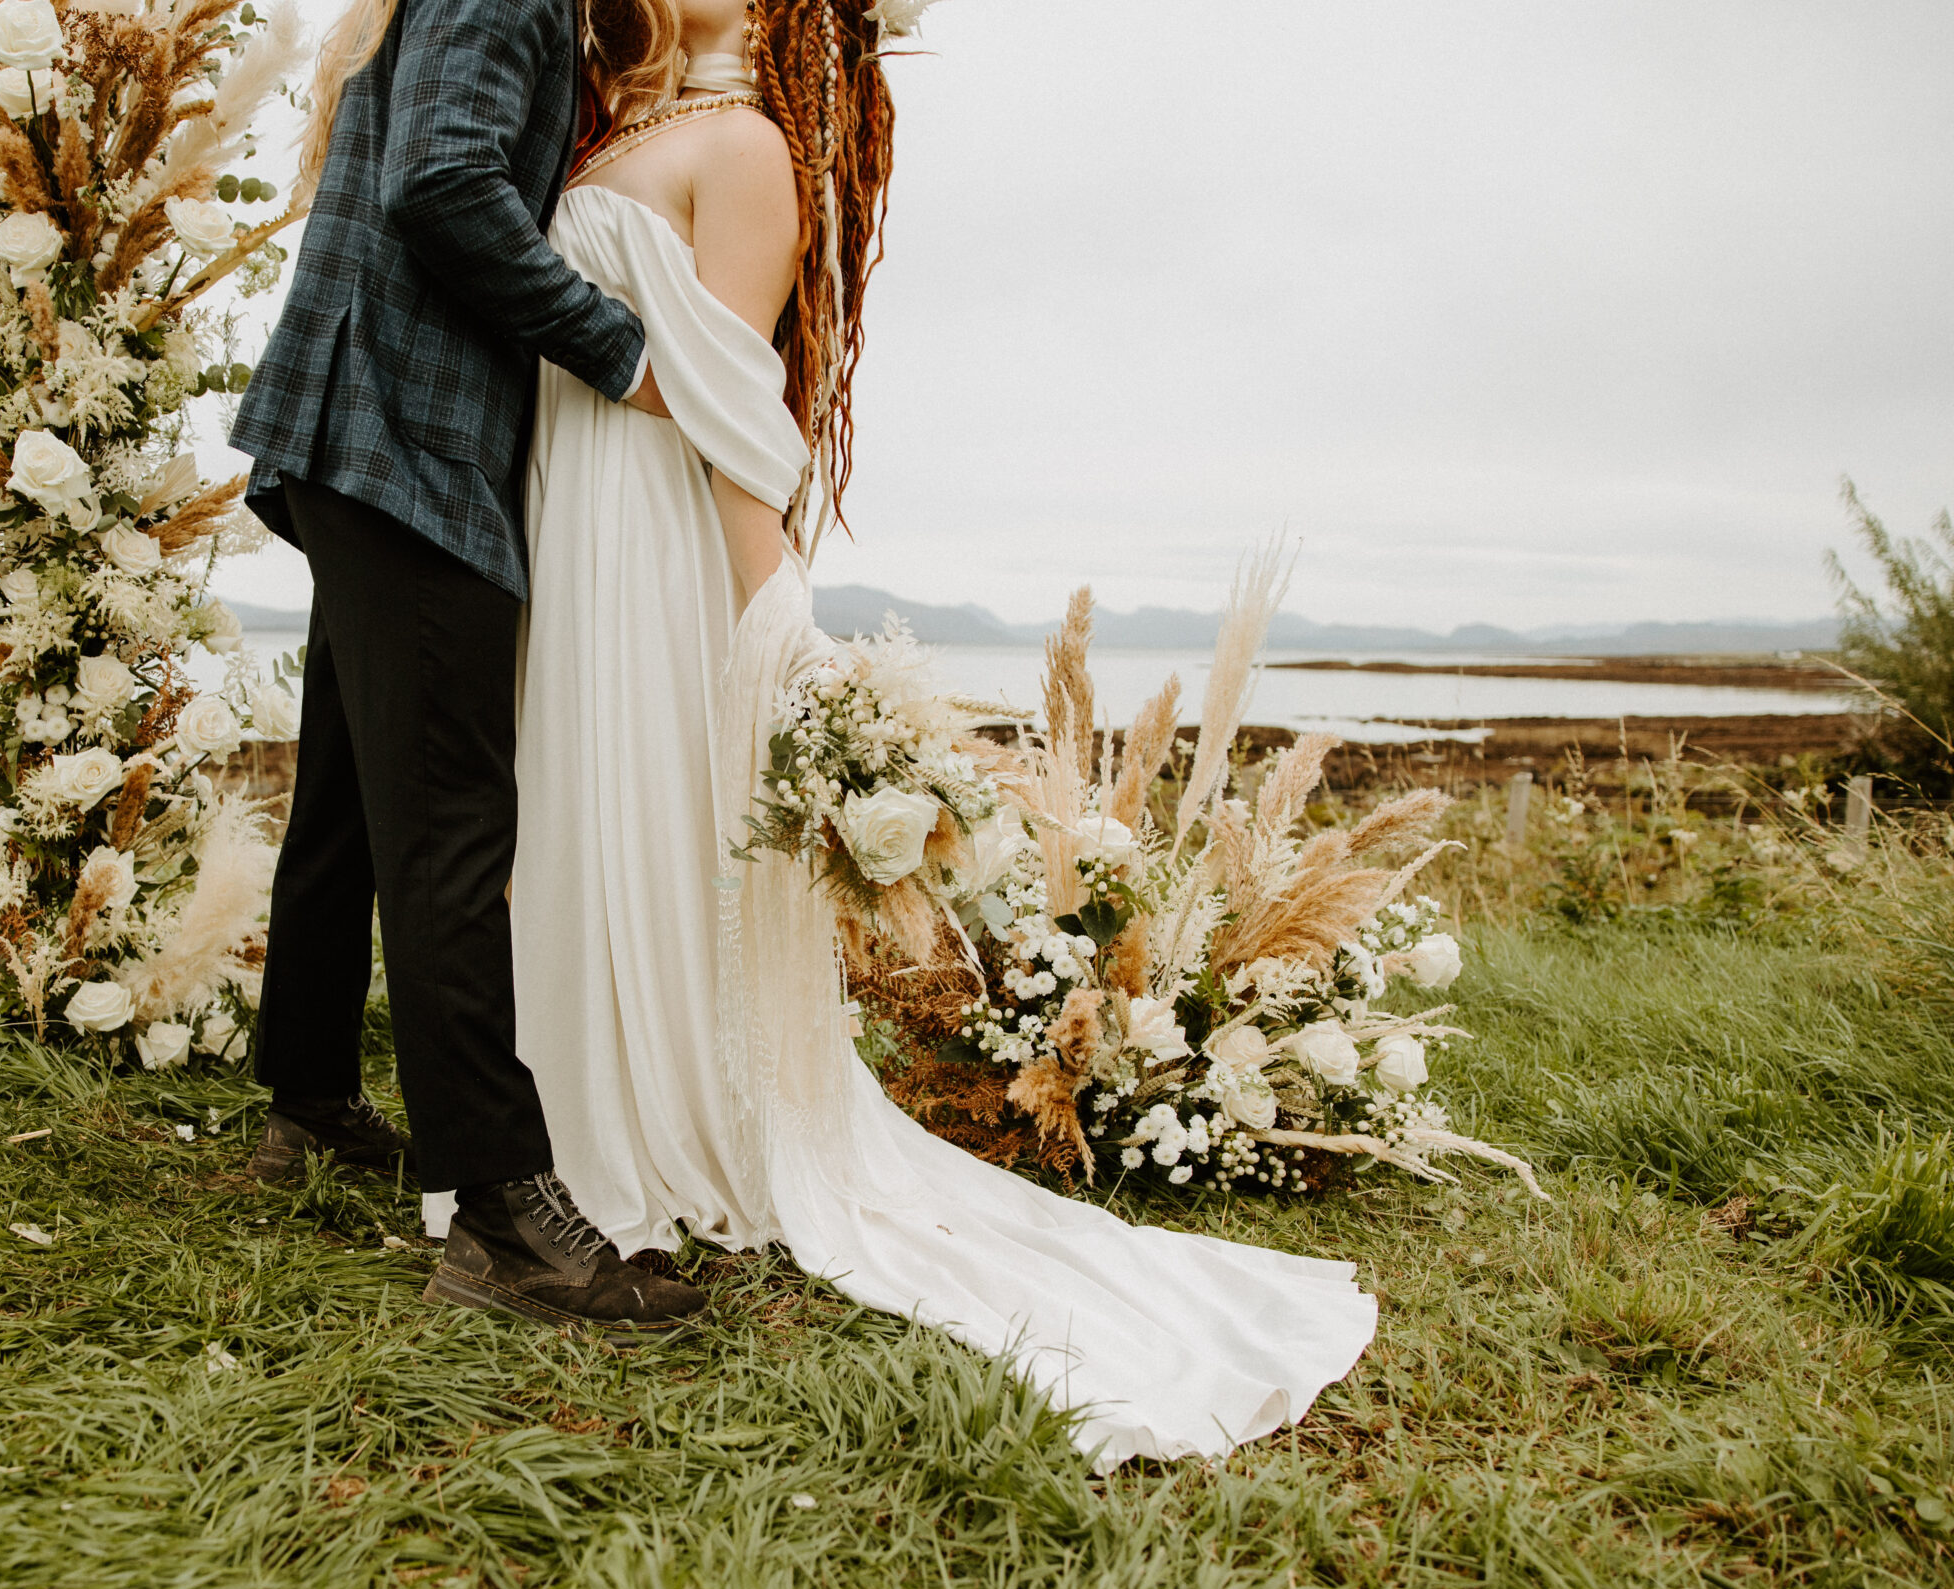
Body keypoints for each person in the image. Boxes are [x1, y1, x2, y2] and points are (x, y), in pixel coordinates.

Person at [458, 0, 1383, 1467]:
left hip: (645, 546)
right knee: (560, 826)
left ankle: (640, 1126)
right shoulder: (607, 125)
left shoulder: (749, 146)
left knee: (637, 825)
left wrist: (782, 638)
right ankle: (549, 1131)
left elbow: (732, 413)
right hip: (563, 528)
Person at [228, 0, 710, 1342]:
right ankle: (502, 1215)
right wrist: (625, 354)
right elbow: (442, 186)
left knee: (346, 792)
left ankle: (309, 1103)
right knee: (449, 824)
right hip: (407, 440)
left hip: (355, 427)